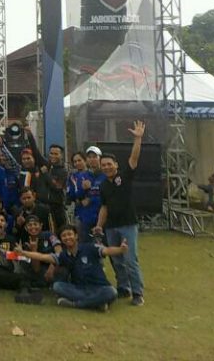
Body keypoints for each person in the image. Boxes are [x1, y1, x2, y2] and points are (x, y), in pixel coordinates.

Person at [93, 120, 146, 306]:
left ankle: (137, 293)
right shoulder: (103, 185)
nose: (107, 167)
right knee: (116, 260)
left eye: (109, 164)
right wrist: (99, 225)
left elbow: (134, 159)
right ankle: (123, 288)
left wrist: (138, 139)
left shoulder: (124, 177)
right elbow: (104, 207)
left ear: (116, 165)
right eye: (103, 165)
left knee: (130, 259)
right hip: (111, 227)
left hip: (128, 225)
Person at [16, 224, 127, 311]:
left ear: (76, 236)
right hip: (79, 289)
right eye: (64, 236)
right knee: (57, 286)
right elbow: (42, 256)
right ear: (61, 239)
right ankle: (97, 303)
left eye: (70, 234)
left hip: (99, 288)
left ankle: (77, 304)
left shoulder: (90, 248)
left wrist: (120, 250)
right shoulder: (63, 255)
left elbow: (107, 250)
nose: (67, 237)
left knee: (112, 292)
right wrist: (23, 252)